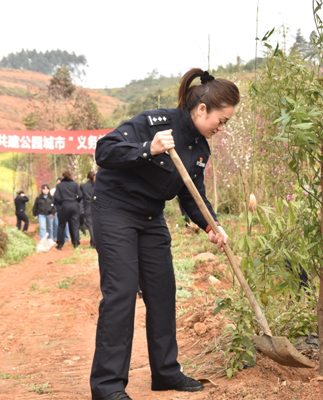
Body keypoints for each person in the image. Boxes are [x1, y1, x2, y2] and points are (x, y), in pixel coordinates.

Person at [90, 68, 238, 400]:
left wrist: (212, 226)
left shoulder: (201, 148)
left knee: (162, 291)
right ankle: (108, 386)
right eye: (222, 120)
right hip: (114, 210)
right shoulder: (154, 123)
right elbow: (104, 151)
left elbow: (191, 194)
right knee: (121, 294)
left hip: (150, 216)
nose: (221, 127)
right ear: (202, 110)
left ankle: (166, 372)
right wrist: (148, 147)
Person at [53, 170, 82, 250]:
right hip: (74, 206)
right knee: (75, 225)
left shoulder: (59, 185)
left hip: (64, 206)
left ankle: (60, 244)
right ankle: (75, 242)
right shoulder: (75, 184)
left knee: (61, 225)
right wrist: (76, 201)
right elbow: (80, 195)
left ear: (63, 176)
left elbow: (56, 197)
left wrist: (62, 202)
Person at [51, 177, 70, 242]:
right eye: (57, 183)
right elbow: (53, 201)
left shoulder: (66, 191)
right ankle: (56, 238)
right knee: (56, 224)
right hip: (57, 210)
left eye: (59, 183)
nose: (58, 184)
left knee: (66, 224)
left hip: (65, 210)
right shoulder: (54, 191)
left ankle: (66, 237)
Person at [80, 170, 96, 247]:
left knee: (90, 225)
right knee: (97, 225)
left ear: (88, 178)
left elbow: (80, 198)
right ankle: (94, 242)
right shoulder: (98, 185)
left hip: (88, 207)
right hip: (97, 207)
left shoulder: (83, 186)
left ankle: (94, 242)